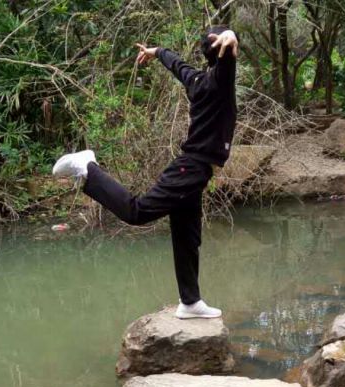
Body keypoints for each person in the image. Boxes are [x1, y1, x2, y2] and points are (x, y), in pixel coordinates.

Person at [52, 26, 239, 319]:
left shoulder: (197, 80)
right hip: (190, 169)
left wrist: (156, 51)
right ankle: (88, 168)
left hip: (194, 171)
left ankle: (190, 302)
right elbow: (223, 57)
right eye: (228, 48)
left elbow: (176, 63)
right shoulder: (219, 80)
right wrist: (229, 37)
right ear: (223, 52)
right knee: (137, 212)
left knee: (187, 237)